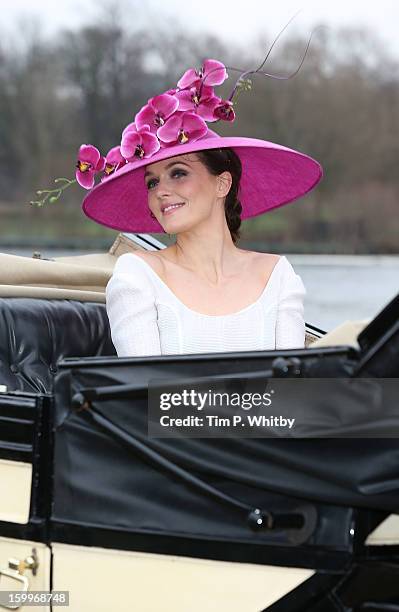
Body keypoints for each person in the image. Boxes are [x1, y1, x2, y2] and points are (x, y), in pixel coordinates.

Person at [78, 59, 323, 356]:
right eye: (152, 183)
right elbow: (144, 393)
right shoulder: (137, 275)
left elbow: (289, 392)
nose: (161, 192)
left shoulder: (277, 275)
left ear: (222, 185)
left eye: (178, 173)